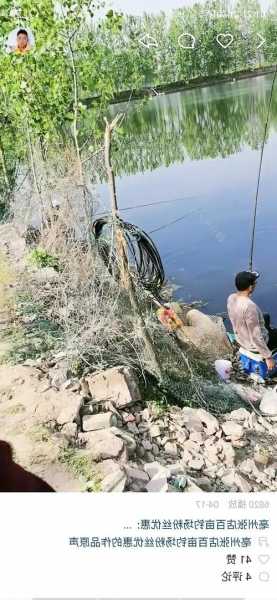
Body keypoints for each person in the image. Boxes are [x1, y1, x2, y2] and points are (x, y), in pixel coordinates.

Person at [227, 271, 276, 378]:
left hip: (241, 338)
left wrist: (246, 279)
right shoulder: (250, 307)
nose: (256, 284)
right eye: (255, 283)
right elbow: (256, 336)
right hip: (253, 345)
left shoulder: (231, 298)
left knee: (266, 316)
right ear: (250, 287)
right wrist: (268, 357)